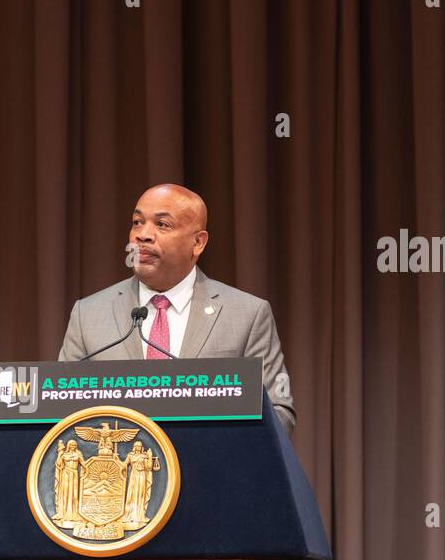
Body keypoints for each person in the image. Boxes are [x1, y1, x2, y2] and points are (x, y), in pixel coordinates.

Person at [57, 183, 295, 431]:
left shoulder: (247, 315)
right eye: (137, 222)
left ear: (198, 243)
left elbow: (279, 412)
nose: (143, 235)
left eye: (162, 224)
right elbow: (60, 411)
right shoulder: (88, 315)